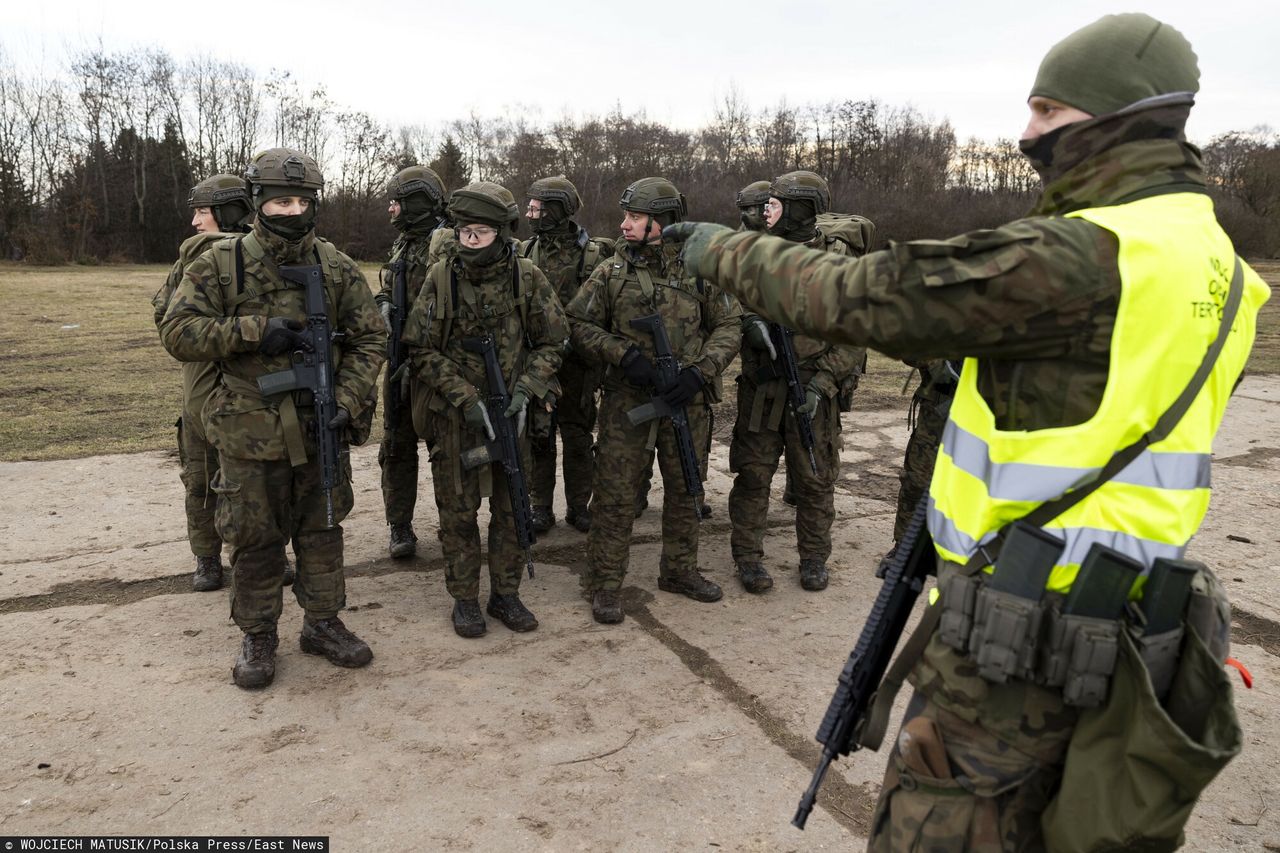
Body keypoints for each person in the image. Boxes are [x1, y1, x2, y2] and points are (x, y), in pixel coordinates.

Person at [669, 14, 1269, 849]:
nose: (1027, 135)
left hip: (1019, 638)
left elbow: (858, 297)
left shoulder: (1083, 255)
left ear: (1117, 117)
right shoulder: (1224, 270)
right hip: (1133, 625)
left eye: (1048, 114)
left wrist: (717, 248)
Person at [161, 147, 385, 689]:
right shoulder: (220, 262)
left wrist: (348, 399)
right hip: (247, 427)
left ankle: (323, 622)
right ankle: (259, 632)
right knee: (254, 536)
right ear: (259, 203)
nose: (292, 211)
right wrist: (254, 330)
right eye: (280, 201)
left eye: (301, 200)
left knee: (323, 526)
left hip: (319, 424)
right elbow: (178, 332)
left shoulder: (333, 265)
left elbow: (371, 336)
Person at [566, 177, 742, 625]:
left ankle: (680, 570)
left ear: (661, 222)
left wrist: (700, 372)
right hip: (629, 403)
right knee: (615, 495)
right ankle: (605, 583)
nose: (624, 225)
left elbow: (730, 325)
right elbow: (578, 324)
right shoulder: (611, 271)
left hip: (687, 402)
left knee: (687, 489)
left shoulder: (701, 267)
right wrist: (622, 355)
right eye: (625, 217)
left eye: (635, 217)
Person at [401, 181, 568, 638]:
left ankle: (506, 595)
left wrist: (527, 389)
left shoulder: (527, 276)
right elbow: (419, 349)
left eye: (480, 232)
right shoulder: (441, 276)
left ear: (502, 232)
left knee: (513, 506)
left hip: (511, 415)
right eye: (464, 232)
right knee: (458, 511)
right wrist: (464, 396)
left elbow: (555, 340)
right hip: (458, 419)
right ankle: (465, 599)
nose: (470, 241)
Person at [728, 171, 868, 594]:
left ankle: (813, 559)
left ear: (801, 208)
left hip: (813, 391)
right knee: (753, 475)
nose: (765, 211)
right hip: (762, 389)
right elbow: (722, 304)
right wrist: (748, 321)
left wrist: (822, 383)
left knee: (813, 478)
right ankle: (748, 559)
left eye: (775, 204)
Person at [152, 174, 253, 592]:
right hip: (200, 389)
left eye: (202, 211)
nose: (195, 222)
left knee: (253, 481)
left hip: (251, 390)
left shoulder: (262, 256)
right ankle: (207, 558)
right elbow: (164, 317)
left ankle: (255, 554)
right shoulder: (189, 260)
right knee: (200, 477)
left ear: (228, 212)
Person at [520, 176, 614, 534]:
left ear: (556, 210)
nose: (530, 212)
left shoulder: (595, 253)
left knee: (577, 437)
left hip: (579, 364)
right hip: (540, 362)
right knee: (539, 437)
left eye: (536, 207)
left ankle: (579, 506)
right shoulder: (526, 252)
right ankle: (540, 506)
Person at [374, 165, 450, 560]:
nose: (391, 210)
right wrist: (383, 302)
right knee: (396, 445)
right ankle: (399, 526)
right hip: (398, 358)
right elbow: (390, 286)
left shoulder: (446, 243)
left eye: (397, 202)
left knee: (443, 447)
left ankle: (451, 523)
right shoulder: (404, 245)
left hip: (434, 364)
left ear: (417, 203)